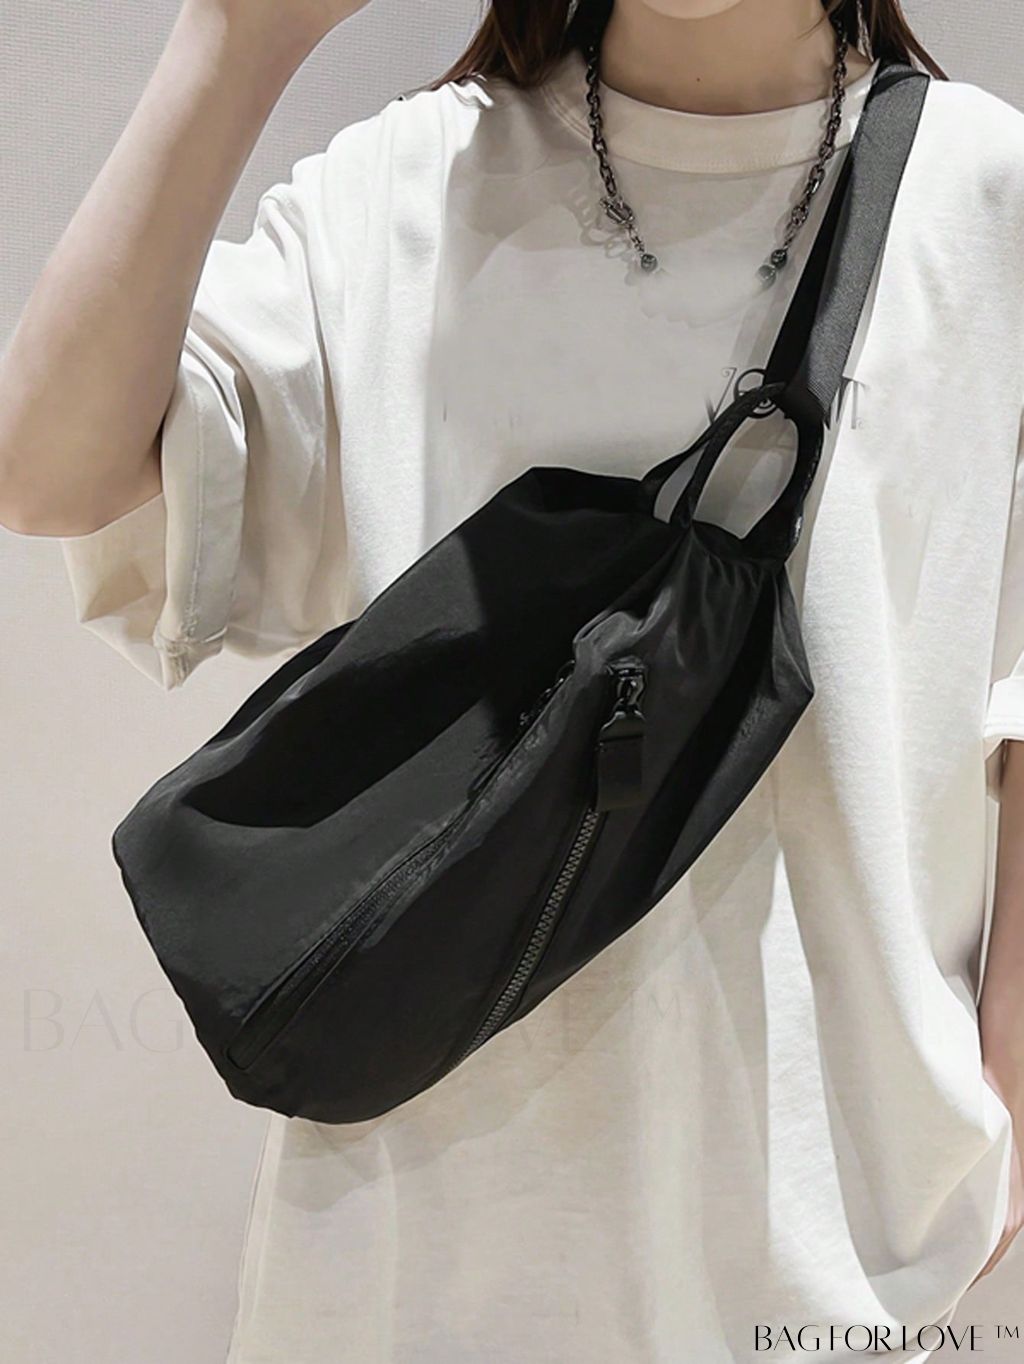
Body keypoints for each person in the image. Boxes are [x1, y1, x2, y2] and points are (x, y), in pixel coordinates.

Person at [2, 0, 1023, 1357]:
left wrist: (1007, 1097)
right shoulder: (411, 190)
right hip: (409, 1281)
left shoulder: (988, 200)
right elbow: (52, 471)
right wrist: (239, 35)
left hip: (832, 1268)